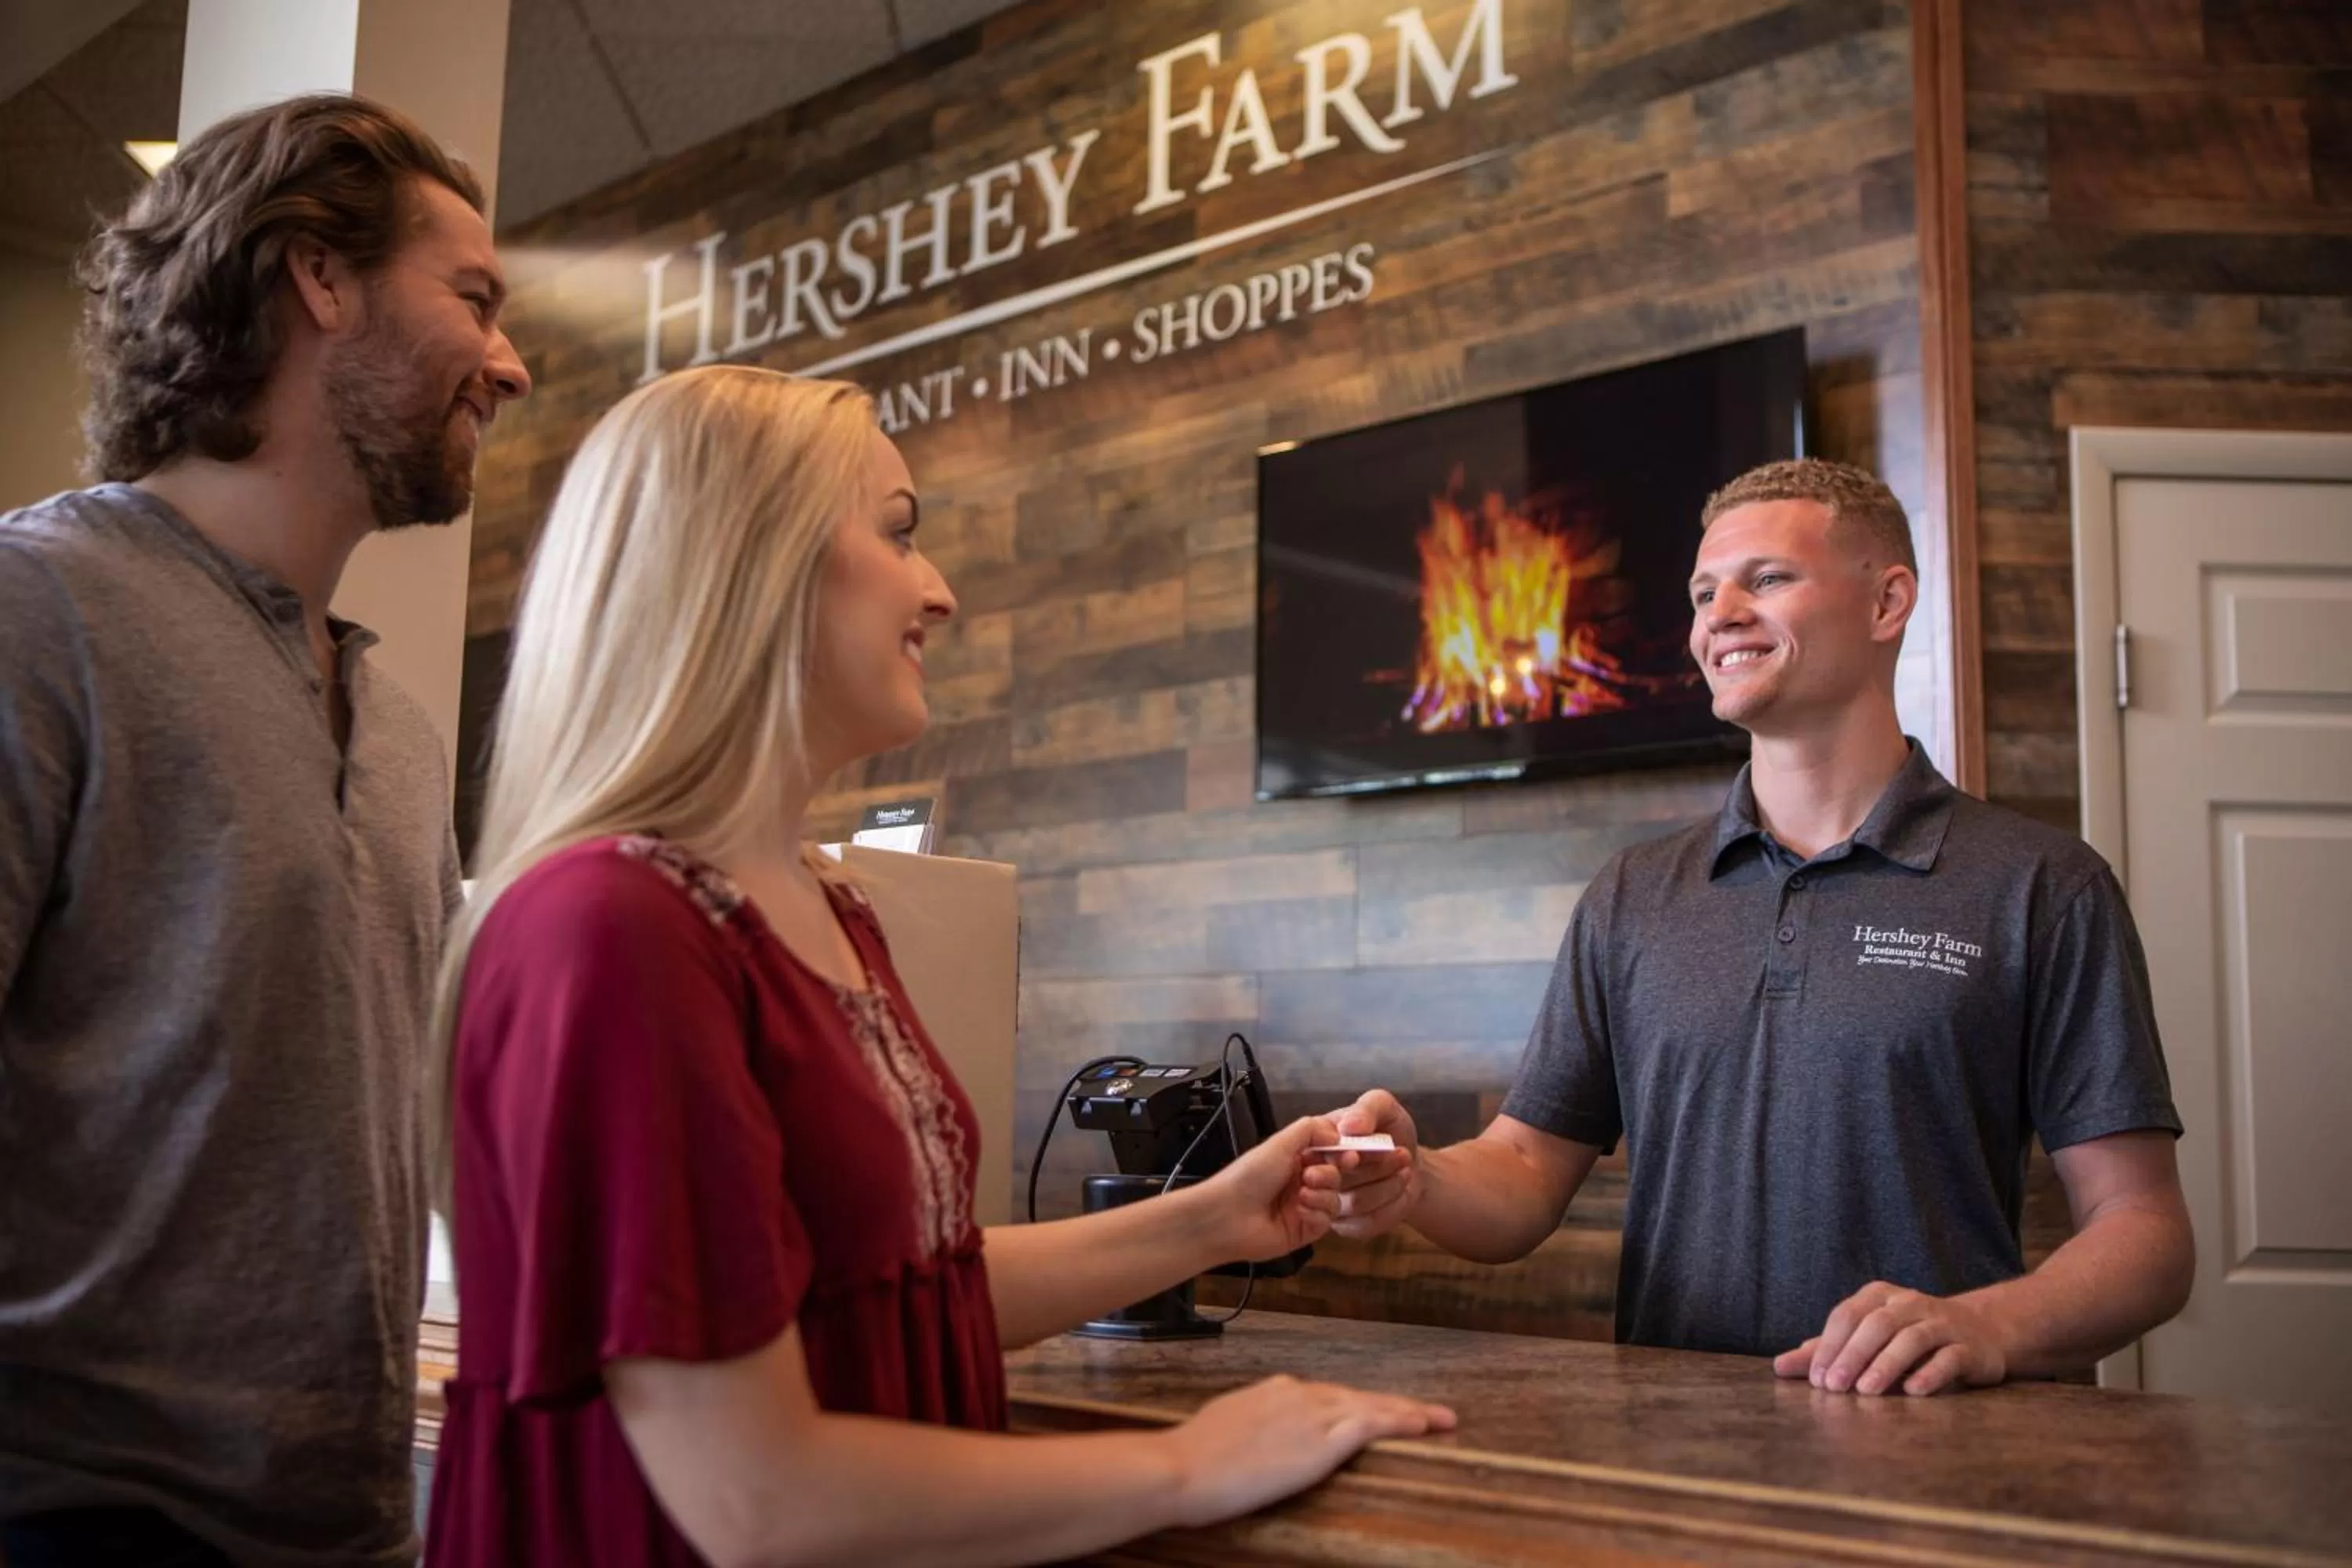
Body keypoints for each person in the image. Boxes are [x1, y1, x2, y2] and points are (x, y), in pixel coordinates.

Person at [423, 365, 1452, 1566]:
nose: (941, 591)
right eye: (898, 535)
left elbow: (903, 1291)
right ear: (746, 564)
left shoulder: (830, 910)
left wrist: (1217, 1219)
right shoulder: (609, 928)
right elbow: (755, 1498)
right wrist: (1189, 1462)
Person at [1325, 458, 2194, 1397]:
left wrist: (1991, 1320)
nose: (1717, 614)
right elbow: (1525, 1167)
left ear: (1887, 601)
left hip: (1946, 1459)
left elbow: (2144, 1229)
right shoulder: (1634, 892)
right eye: (1704, 591)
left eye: (1766, 578)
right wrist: (1415, 1177)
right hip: (1678, 1455)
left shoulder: (2043, 886)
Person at [0, 96, 531, 1566]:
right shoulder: (36, 613)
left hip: (346, 1530)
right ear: (318, 275)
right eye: (474, 298)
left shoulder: (406, 731)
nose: (512, 362)